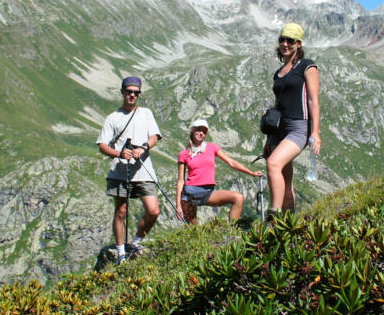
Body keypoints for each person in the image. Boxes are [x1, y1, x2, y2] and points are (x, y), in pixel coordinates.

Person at [96, 76, 162, 265]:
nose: (132, 95)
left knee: (153, 210)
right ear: (123, 92)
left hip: (143, 170)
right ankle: (120, 253)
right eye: (129, 92)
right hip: (120, 171)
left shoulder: (146, 113)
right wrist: (119, 153)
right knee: (121, 211)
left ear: (139, 94)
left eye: (136, 92)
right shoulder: (113, 118)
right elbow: (102, 145)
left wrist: (143, 148)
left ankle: (135, 242)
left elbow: (154, 136)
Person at [264, 23, 321, 220]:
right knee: (285, 179)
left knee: (273, 164)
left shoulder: (308, 66)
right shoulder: (279, 72)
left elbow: (313, 100)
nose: (285, 44)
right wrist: (268, 139)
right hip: (279, 129)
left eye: (290, 40)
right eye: (282, 39)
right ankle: (289, 222)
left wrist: (315, 132)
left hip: (298, 127)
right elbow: (278, 104)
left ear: (299, 43)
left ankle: (273, 218)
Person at [175, 118, 263, 224]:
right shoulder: (183, 153)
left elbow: (231, 162)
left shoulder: (212, 147)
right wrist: (178, 205)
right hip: (190, 195)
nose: (201, 133)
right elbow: (181, 181)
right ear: (192, 130)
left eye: (204, 131)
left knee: (238, 198)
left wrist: (251, 172)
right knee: (193, 230)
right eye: (198, 129)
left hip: (208, 193)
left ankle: (233, 233)